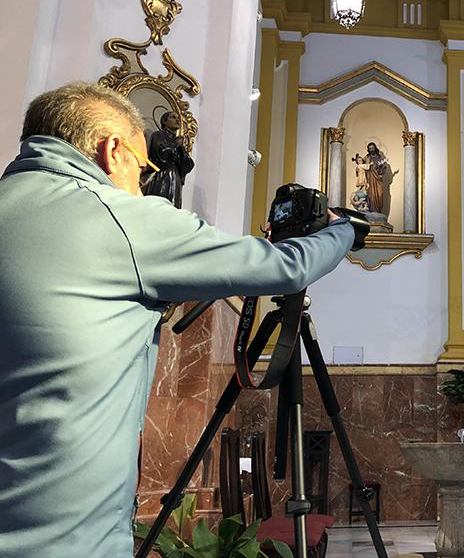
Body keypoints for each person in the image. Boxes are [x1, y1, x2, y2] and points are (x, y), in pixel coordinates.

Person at [0, 82, 355, 557]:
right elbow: (286, 268)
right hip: (62, 538)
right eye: (144, 168)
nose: (144, 183)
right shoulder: (120, 218)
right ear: (113, 150)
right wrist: (344, 230)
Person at [142, 110, 194, 208]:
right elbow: (161, 155)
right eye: (173, 117)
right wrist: (175, 144)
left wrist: (181, 149)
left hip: (175, 179)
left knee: (173, 210)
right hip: (161, 176)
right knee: (159, 207)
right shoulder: (158, 135)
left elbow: (189, 165)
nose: (177, 120)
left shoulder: (178, 141)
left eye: (178, 118)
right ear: (164, 121)